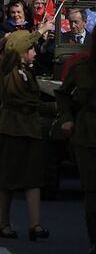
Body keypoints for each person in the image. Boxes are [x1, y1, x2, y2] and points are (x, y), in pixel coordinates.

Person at [0, 29, 53, 242]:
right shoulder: (6, 67)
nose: (35, 54)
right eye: (31, 49)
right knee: (7, 178)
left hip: (30, 127)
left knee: (33, 177)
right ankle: (4, 223)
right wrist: (40, 31)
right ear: (20, 51)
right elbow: (15, 47)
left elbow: (35, 104)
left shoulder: (28, 72)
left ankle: (35, 224)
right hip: (10, 127)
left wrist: (58, 107)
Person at [57, 41, 96, 253]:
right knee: (91, 191)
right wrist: (66, 118)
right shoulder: (81, 69)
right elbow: (62, 94)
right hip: (87, 135)